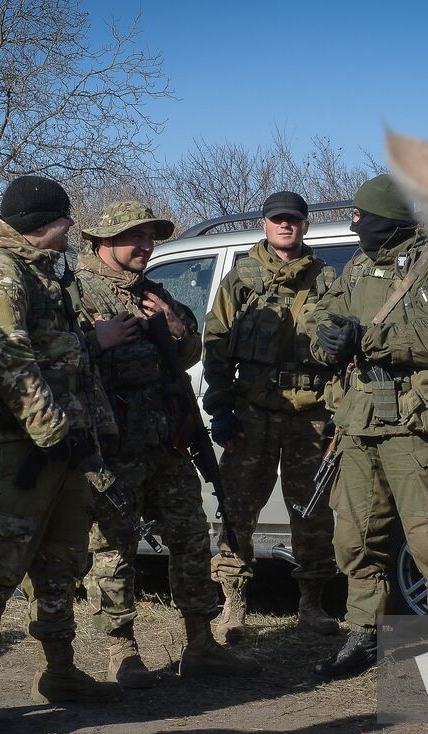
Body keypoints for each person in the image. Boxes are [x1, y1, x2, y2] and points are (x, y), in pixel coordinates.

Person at [0, 175, 121, 734]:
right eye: (66, 219)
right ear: (43, 222)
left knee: (62, 565)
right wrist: (51, 431)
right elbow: (7, 359)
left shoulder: (46, 273)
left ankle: (60, 670)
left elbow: (56, 351)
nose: (72, 228)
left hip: (63, 447)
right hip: (21, 449)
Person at [76, 201, 261, 687]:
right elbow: (57, 360)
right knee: (114, 550)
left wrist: (177, 330)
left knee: (190, 540)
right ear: (101, 243)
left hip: (167, 443)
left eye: (150, 237)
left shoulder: (154, 293)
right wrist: (97, 341)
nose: (145, 245)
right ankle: (121, 651)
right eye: (134, 236)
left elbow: (188, 348)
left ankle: (200, 643)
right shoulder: (75, 294)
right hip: (113, 449)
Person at [308, 174, 428, 679]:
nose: (355, 223)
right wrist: (327, 341)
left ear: (389, 218)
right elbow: (325, 316)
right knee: (356, 541)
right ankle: (362, 637)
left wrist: (370, 338)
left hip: (416, 426)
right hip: (359, 424)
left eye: (361, 216)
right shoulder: (358, 265)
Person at [200, 191, 340, 641]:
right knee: (238, 508)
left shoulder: (327, 279)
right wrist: (220, 407)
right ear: (264, 224)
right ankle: (233, 606)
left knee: (312, 511)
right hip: (253, 412)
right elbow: (216, 344)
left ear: (304, 225)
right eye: (278, 219)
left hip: (310, 415)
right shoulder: (240, 279)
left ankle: (313, 607)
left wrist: (338, 410)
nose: (286, 226)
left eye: (293, 220)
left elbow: (344, 352)